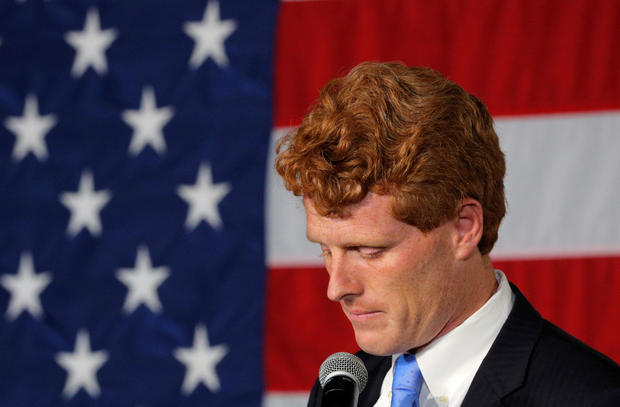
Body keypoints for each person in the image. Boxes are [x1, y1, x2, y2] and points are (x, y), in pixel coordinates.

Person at [275, 62, 620, 407]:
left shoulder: (593, 398)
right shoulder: (339, 393)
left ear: (464, 229)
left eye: (368, 250)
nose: (336, 288)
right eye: (326, 250)